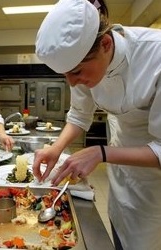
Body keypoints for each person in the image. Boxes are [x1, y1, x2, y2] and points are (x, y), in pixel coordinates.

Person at [33, 0, 161, 249]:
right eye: (65, 75)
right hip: (121, 166)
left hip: (154, 181)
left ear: (106, 44)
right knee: (117, 228)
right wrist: (56, 148)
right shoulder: (84, 64)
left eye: (77, 72)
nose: (72, 83)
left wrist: (101, 152)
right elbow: (79, 115)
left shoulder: (155, 57)